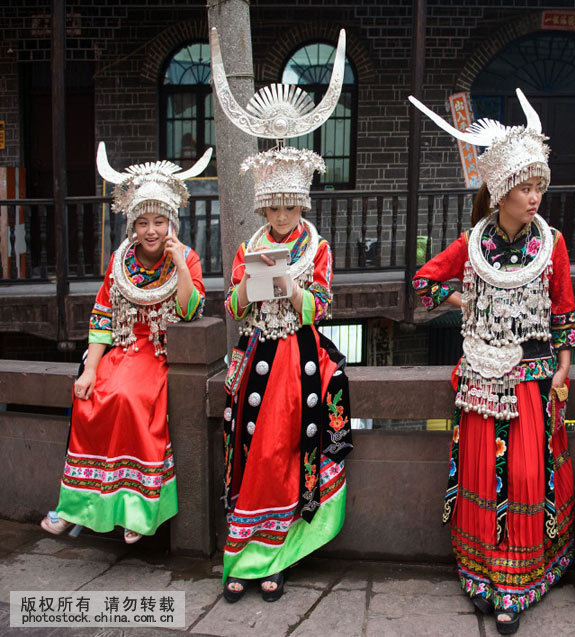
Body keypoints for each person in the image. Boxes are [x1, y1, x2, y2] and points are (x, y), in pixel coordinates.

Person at [409, 89, 575, 635]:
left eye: (538, 187)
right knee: (486, 473)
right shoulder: (471, 242)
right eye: (525, 188)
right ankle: (484, 577)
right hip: (481, 380)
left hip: (530, 383)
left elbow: (564, 312)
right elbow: (425, 282)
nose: (535, 197)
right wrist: (467, 301)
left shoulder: (552, 244)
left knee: (526, 476)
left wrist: (565, 365)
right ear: (500, 190)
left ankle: (518, 583)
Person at [210, 26, 352, 604]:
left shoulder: (316, 248)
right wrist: (247, 287)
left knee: (283, 451)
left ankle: (280, 555)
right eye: (274, 205)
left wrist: (292, 288)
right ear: (262, 205)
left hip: (296, 358)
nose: (284, 213)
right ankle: (243, 556)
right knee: (249, 452)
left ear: (304, 203)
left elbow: (322, 306)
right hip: (252, 356)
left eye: (293, 204)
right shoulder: (249, 247)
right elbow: (229, 305)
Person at [41, 142, 211, 544]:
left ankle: (138, 509)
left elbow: (190, 309)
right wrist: (90, 368)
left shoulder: (186, 258)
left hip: (159, 351)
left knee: (132, 401)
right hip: (121, 348)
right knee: (90, 397)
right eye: (143, 223)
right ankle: (76, 507)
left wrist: (180, 263)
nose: (151, 231)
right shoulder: (120, 262)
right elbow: (102, 318)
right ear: (132, 226)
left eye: (159, 222)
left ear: (171, 223)